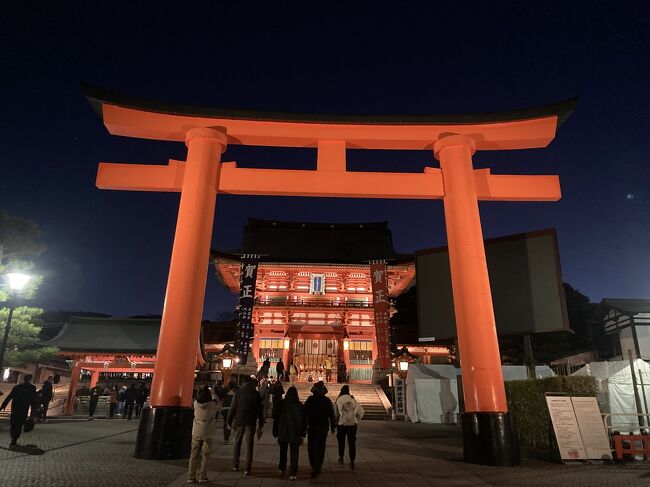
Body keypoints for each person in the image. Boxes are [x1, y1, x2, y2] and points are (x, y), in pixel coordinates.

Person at [226, 376, 265, 475]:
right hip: (251, 421)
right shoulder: (255, 393)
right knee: (249, 445)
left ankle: (235, 464)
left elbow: (233, 407)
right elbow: (260, 410)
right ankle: (247, 468)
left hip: (239, 420)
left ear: (243, 383)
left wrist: (228, 421)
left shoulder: (238, 392)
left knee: (237, 442)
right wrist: (261, 424)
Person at [187, 385, 221, 484]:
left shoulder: (196, 403)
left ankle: (190, 477)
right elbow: (219, 404)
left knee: (193, 455)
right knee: (205, 455)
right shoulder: (212, 405)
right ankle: (202, 476)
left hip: (196, 431)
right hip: (208, 432)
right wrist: (213, 394)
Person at [303, 381, 336, 478]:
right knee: (321, 447)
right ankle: (319, 465)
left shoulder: (310, 400)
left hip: (313, 427)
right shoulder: (327, 401)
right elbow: (331, 414)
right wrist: (333, 426)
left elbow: (304, 413)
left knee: (312, 447)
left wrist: (303, 427)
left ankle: (314, 466)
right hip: (323, 427)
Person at [273, 386, 305, 480]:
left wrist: (275, 430)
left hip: (283, 430)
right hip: (295, 431)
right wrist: (303, 433)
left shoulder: (282, 403)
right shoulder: (299, 405)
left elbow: (276, 418)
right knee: (294, 452)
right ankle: (293, 472)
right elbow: (303, 420)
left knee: (283, 451)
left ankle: (282, 469)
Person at [0, 374, 37, 446]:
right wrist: (33, 412)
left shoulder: (17, 387)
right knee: (19, 424)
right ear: (30, 379)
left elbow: (9, 396)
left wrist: (3, 405)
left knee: (13, 423)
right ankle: (14, 438)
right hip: (24, 409)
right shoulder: (32, 388)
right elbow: (33, 401)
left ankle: (13, 437)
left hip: (15, 408)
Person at [334, 385, 364, 469]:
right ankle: (352, 461)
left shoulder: (339, 400)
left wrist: (337, 420)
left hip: (342, 424)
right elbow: (361, 411)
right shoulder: (352, 399)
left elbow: (335, 412)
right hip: (352, 425)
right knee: (352, 443)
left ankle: (341, 457)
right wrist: (356, 419)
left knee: (341, 442)